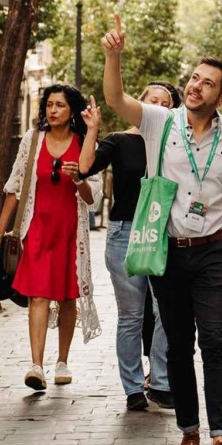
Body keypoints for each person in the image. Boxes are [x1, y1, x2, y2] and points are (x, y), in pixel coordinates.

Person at [102, 15, 222, 445]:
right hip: (168, 252)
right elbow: (116, 99)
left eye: (207, 83)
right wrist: (113, 56)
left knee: (214, 342)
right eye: (194, 78)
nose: (196, 86)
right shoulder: (162, 121)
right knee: (179, 346)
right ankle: (189, 433)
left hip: (212, 251)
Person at [0, 84, 104, 391]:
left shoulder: (83, 143)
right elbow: (15, 186)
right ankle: (36, 365)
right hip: (37, 230)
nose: (53, 110)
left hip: (70, 233)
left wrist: (78, 179)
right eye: (49, 105)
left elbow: (93, 195)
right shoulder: (32, 140)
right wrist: (1, 229)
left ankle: (62, 361)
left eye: (60, 106)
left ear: (72, 112)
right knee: (38, 296)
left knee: (68, 297)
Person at [81, 81, 179, 413]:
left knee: (165, 311)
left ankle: (161, 380)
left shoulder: (175, 144)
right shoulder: (120, 141)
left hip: (162, 233)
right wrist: (93, 130)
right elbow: (86, 167)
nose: (159, 105)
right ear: (140, 103)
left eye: (166, 103)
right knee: (132, 316)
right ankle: (134, 388)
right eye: (153, 99)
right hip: (125, 232)